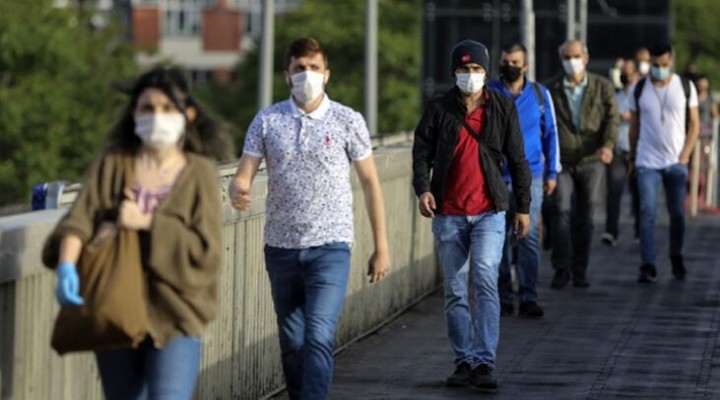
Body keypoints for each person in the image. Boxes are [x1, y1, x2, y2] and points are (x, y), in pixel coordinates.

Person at [46, 67, 226, 399]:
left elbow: (207, 251)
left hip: (177, 312)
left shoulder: (199, 172)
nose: (157, 117)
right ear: (134, 113)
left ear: (188, 114)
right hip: (116, 302)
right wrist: (67, 267)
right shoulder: (115, 163)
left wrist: (146, 222)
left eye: (167, 108)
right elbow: (80, 219)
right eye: (147, 108)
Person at [228, 37, 391, 400]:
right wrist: (239, 189)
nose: (307, 75)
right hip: (281, 247)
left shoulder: (348, 120)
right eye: (299, 68)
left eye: (314, 68)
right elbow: (244, 173)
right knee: (292, 341)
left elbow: (370, 183)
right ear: (287, 75)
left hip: (331, 247)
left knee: (318, 335)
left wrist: (381, 247)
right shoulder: (267, 120)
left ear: (326, 74)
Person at [412, 39, 531, 393]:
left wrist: (523, 207)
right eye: (464, 69)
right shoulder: (438, 109)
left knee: (485, 280)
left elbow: (518, 159)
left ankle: (484, 362)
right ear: (454, 72)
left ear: (486, 71)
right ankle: (463, 360)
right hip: (448, 213)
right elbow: (421, 154)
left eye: (476, 69)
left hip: (489, 212)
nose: (470, 75)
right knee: (454, 290)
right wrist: (423, 189)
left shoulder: (502, 108)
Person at [488, 42, 560, 318]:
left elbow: (550, 134)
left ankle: (529, 295)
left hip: (530, 175)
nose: (510, 66)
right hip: (496, 176)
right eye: (506, 62)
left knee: (528, 236)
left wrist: (552, 172)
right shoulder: (489, 93)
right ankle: (505, 296)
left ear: (525, 66)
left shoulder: (540, 95)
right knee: (498, 238)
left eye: (515, 62)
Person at [545, 40, 618, 289]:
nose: (572, 62)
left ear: (585, 58)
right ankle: (561, 268)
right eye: (567, 57)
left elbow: (612, 119)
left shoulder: (602, 87)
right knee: (561, 211)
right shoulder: (551, 89)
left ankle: (579, 269)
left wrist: (608, 145)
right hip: (562, 161)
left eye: (576, 56)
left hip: (592, 159)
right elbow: (544, 123)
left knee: (586, 216)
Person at [629, 43, 700, 283]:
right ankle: (648, 264)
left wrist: (685, 154)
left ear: (672, 62)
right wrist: (632, 157)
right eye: (655, 65)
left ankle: (676, 254)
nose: (659, 69)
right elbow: (634, 126)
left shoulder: (685, 87)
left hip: (676, 161)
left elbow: (694, 124)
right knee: (647, 211)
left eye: (664, 65)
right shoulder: (640, 88)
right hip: (647, 161)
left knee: (677, 213)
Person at [602, 59, 637, 246]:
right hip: (618, 150)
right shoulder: (615, 96)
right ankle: (611, 231)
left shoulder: (640, 95)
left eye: (629, 72)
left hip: (637, 152)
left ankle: (640, 231)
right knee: (614, 191)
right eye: (624, 72)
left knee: (639, 193)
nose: (626, 76)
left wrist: (632, 116)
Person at [694, 74, 719, 212]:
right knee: (694, 166)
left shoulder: (710, 99)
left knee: (706, 165)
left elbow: (715, 116)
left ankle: (704, 196)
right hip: (694, 134)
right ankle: (693, 195)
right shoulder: (693, 97)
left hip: (706, 135)